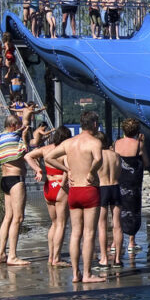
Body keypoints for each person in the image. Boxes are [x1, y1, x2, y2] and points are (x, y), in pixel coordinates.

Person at [44, 111, 105, 283]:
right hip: (88, 189)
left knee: (75, 232)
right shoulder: (95, 142)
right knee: (89, 232)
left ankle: (76, 274)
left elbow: (49, 157)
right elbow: (98, 159)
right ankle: (87, 274)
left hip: (73, 191)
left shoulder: (69, 143)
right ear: (94, 124)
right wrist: (92, 172)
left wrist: (67, 170)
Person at [25, 127, 71, 267]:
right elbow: (67, 171)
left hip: (48, 186)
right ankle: (56, 258)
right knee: (61, 224)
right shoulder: (64, 151)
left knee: (54, 223)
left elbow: (28, 156)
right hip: (59, 186)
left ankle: (51, 257)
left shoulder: (46, 149)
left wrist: (37, 169)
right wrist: (64, 184)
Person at [0, 115, 30, 266]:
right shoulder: (15, 138)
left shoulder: (1, 137)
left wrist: (21, 131)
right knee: (18, 218)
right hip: (16, 179)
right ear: (14, 125)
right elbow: (24, 152)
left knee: (8, 217)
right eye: (19, 125)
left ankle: (2, 253)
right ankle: (12, 256)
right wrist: (24, 136)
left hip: (5, 179)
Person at [114, 118, 150, 256]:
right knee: (133, 210)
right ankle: (131, 241)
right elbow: (146, 162)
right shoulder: (138, 145)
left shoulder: (116, 143)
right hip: (133, 182)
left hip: (119, 179)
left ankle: (115, 242)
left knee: (118, 209)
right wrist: (143, 144)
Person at [94, 131, 123, 270]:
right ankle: (117, 258)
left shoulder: (97, 156)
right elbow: (119, 173)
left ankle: (104, 258)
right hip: (115, 187)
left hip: (102, 187)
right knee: (117, 225)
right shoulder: (116, 156)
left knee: (102, 225)